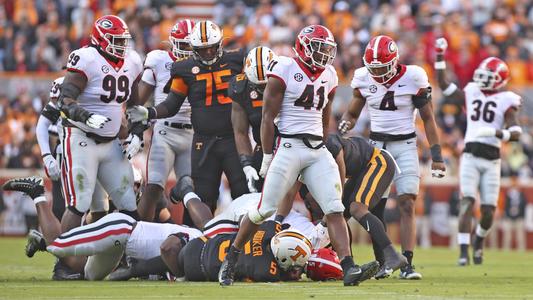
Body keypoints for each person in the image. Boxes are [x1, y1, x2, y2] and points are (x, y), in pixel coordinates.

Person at [218, 25, 379, 287]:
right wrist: (268, 156)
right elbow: (267, 118)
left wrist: (324, 142)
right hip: (289, 148)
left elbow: (325, 113)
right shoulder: (283, 68)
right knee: (263, 209)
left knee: (335, 209)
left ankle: (348, 267)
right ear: (304, 47)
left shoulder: (329, 74)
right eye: (319, 48)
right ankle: (231, 259)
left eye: (328, 48)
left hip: (316, 149)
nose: (325, 54)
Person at [339, 35, 446, 279]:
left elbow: (428, 118)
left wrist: (437, 155)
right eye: (373, 68)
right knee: (375, 206)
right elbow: (353, 111)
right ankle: (385, 261)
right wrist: (347, 121)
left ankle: (407, 263)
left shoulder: (413, 76)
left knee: (408, 201)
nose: (377, 73)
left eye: (381, 68)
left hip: (406, 144)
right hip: (376, 146)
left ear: (395, 61)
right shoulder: (364, 78)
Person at [127, 20, 248, 222]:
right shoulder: (173, 64)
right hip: (180, 134)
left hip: (210, 135)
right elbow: (166, 103)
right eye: (200, 48)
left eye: (210, 47)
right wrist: (145, 118)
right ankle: (147, 238)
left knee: (223, 192)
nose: (207, 53)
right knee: (165, 189)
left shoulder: (233, 60)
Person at [3, 176, 202, 281]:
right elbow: (167, 250)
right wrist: (181, 276)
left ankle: (42, 242)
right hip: (122, 229)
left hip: (123, 243)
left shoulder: (197, 242)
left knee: (88, 275)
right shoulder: (195, 241)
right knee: (58, 245)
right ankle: (37, 192)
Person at [434, 37, 523, 265]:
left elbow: (515, 132)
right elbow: (444, 85)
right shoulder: (472, 91)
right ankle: (463, 251)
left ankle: (479, 241)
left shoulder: (507, 99)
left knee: (488, 211)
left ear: (500, 80)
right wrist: (440, 56)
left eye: (489, 77)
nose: (483, 80)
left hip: (492, 160)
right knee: (467, 202)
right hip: (470, 157)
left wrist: (496, 134)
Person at [57, 15, 143, 236]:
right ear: (101, 39)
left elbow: (134, 106)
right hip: (81, 137)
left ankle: (130, 260)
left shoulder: (132, 61)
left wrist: (137, 133)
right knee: (79, 204)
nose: (122, 45)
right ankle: (64, 266)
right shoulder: (86, 58)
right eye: (116, 40)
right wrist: (86, 116)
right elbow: (64, 101)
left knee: (129, 204)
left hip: (111, 142)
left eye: (124, 40)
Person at [135, 19, 195, 221]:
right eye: (184, 45)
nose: (188, 50)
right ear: (173, 43)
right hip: (165, 131)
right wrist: (135, 128)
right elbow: (139, 99)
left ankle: (191, 238)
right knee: (153, 187)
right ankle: (140, 238)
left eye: (191, 45)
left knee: (191, 189)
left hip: (193, 133)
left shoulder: (203, 63)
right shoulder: (159, 60)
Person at [230, 46, 278, 192]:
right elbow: (241, 132)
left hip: (292, 145)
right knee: (256, 193)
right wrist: (247, 165)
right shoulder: (241, 87)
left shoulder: (289, 80)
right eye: (259, 86)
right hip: (263, 148)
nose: (265, 91)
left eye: (267, 85)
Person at [35, 77, 65, 221]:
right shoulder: (62, 87)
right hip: (65, 151)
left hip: (94, 150)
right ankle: (60, 241)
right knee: (60, 207)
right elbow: (42, 124)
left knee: (97, 205)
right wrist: (47, 156)